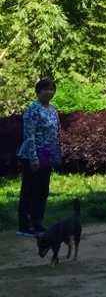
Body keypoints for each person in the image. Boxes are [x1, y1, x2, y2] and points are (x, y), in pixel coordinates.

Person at [17, 76, 61, 237]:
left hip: (47, 155)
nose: (49, 92)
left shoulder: (53, 110)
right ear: (38, 92)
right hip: (32, 155)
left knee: (42, 191)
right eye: (45, 89)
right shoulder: (32, 110)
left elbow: (56, 134)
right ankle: (24, 226)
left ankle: (37, 222)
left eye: (52, 89)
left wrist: (56, 156)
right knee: (30, 191)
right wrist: (33, 158)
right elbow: (29, 136)